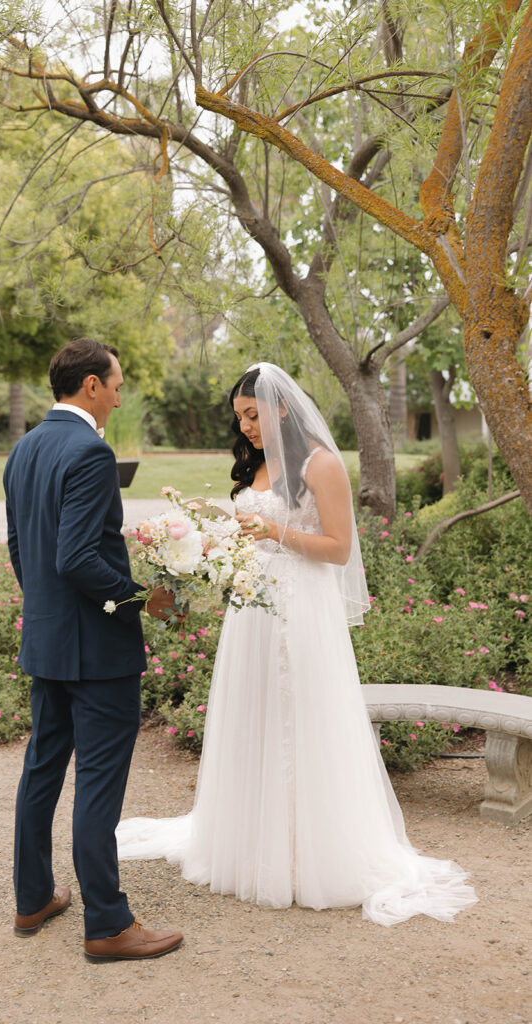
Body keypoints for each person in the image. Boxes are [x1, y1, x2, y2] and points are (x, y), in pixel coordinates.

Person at [116, 362, 478, 926]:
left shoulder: (321, 463)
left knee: (300, 719)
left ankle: (305, 854)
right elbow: (247, 531)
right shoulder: (258, 464)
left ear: (282, 407)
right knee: (253, 715)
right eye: (240, 418)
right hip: (251, 613)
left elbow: (337, 548)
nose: (247, 428)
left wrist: (275, 533)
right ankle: (248, 845)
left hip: (301, 611)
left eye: (253, 415)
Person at [3, 338, 183, 960]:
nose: (119, 393)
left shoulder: (23, 449)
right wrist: (143, 600)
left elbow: (20, 550)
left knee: (42, 771)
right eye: (117, 383)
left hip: (47, 640)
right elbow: (77, 556)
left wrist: (48, 614)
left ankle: (33, 900)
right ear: (90, 387)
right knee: (98, 788)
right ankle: (107, 925)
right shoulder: (90, 452)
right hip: (99, 653)